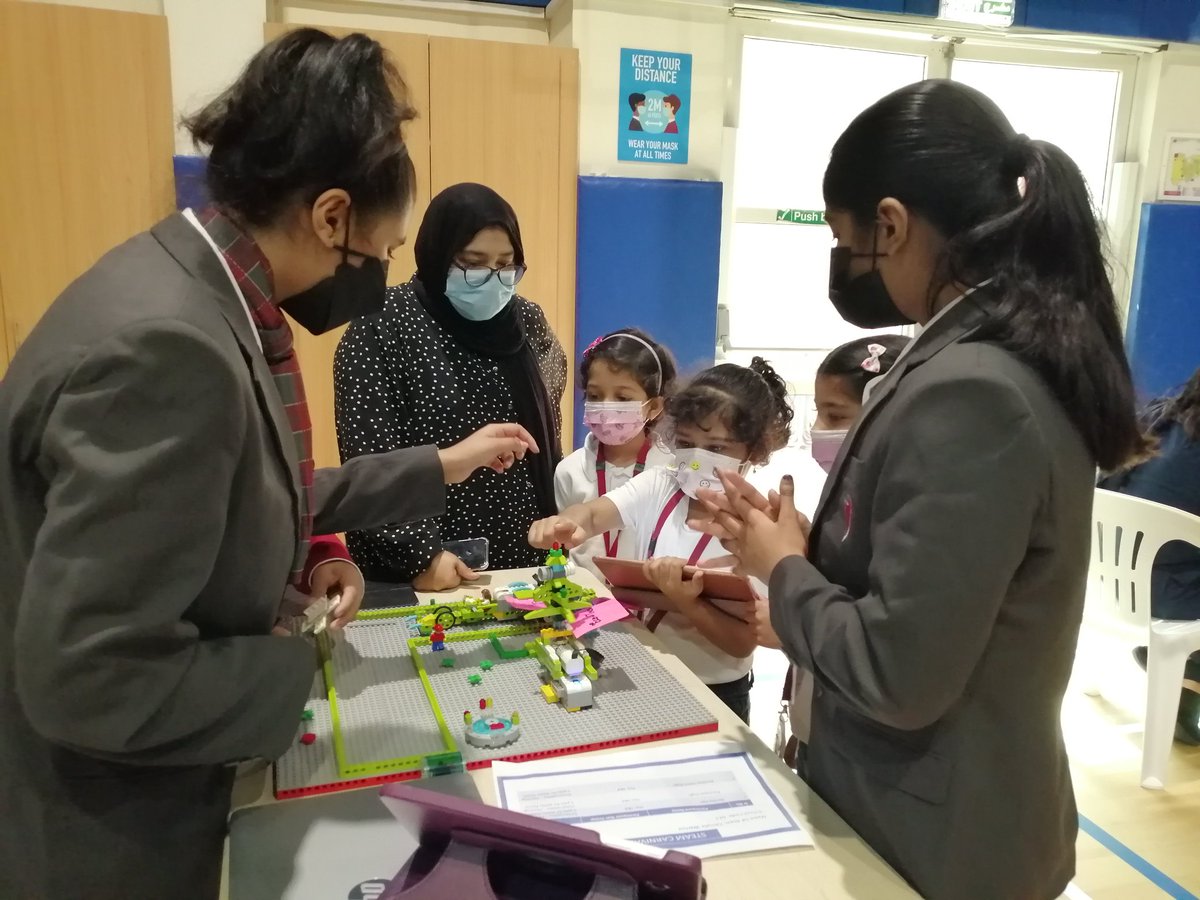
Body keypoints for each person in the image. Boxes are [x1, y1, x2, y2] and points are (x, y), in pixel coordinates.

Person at [0, 29, 539, 899]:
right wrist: (303, 660)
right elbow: (92, 678)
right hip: (111, 831)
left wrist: (410, 484)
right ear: (331, 217)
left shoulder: (183, 285)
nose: (381, 274)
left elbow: (236, 496)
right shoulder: (171, 345)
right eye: (386, 251)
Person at [692, 80, 1146, 899]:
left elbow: (899, 672)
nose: (843, 264)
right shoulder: (972, 358)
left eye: (844, 238)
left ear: (891, 224)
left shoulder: (975, 389)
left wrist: (783, 568)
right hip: (912, 814)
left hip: (941, 844)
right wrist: (805, 546)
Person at [530, 358, 794, 722]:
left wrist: (689, 603)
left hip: (715, 690)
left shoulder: (762, 528)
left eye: (717, 449)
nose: (699, 460)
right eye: (686, 443)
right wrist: (564, 523)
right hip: (646, 668)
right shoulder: (662, 483)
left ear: (753, 452)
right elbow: (592, 514)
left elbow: (744, 641)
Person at [335, 183, 567, 590]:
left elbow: (550, 432)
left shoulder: (527, 322)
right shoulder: (383, 324)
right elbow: (369, 459)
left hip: (525, 557)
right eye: (473, 263)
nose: (493, 279)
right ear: (439, 255)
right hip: (423, 567)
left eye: (506, 264)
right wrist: (420, 556)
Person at [783, 334, 912, 762]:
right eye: (818, 412)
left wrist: (783, 565)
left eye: (835, 414)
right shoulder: (843, 492)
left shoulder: (898, 509)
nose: (819, 429)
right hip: (818, 718)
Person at [1100, 367, 1200, 744]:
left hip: (1106, 582)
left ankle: (1185, 677)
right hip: (1169, 598)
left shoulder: (1159, 416)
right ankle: (1189, 674)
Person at [554, 328, 676, 581]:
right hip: (584, 605)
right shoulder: (569, 470)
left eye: (622, 398)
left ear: (653, 407)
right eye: (595, 395)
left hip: (647, 608)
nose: (606, 406)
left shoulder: (672, 471)